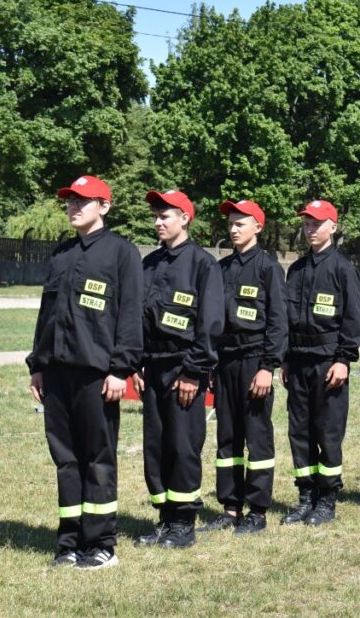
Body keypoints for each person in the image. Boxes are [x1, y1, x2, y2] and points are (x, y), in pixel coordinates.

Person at [27, 175, 143, 570]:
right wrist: (38, 365)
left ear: (104, 207)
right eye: (70, 201)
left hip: (97, 375)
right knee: (66, 459)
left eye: (83, 201)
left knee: (97, 458)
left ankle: (101, 544)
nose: (74, 207)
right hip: (57, 373)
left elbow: (129, 317)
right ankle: (69, 543)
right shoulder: (61, 254)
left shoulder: (121, 253)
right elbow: (47, 315)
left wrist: (120, 369)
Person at [134, 190, 224, 550]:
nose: (158, 221)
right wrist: (136, 363)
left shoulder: (204, 265)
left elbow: (210, 325)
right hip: (152, 368)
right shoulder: (150, 263)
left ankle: (184, 522)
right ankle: (164, 518)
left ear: (185, 218)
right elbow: (137, 317)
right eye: (156, 216)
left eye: (165, 215)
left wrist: (193, 372)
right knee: (155, 446)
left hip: (184, 369)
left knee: (183, 445)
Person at [199, 200, 286, 535]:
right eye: (231, 224)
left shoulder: (268, 268)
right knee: (228, 437)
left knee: (257, 437)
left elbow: (278, 323)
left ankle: (258, 510)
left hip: (254, 362)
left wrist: (267, 366)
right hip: (225, 363)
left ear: (258, 228)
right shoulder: (220, 270)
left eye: (241, 223)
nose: (234, 229)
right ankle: (231, 507)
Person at [280, 200, 360, 527]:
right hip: (298, 363)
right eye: (307, 223)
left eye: (317, 223)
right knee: (299, 432)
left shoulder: (343, 268)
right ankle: (305, 497)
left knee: (327, 433)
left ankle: (326, 499)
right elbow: (285, 320)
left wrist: (343, 360)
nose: (310, 229)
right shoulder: (296, 269)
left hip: (329, 363)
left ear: (332, 226)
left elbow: (354, 320)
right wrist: (285, 359)